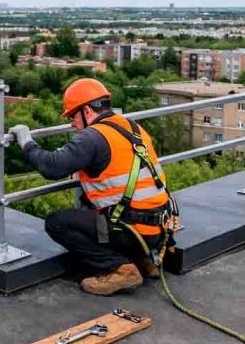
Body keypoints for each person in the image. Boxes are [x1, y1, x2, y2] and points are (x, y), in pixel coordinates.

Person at [9, 78, 171, 295]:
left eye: (72, 116)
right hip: (159, 229)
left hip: (131, 231)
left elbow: (52, 167)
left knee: (57, 222)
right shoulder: (132, 127)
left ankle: (120, 268)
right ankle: (143, 259)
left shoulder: (92, 137)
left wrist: (26, 142)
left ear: (86, 111)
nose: (71, 123)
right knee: (90, 203)